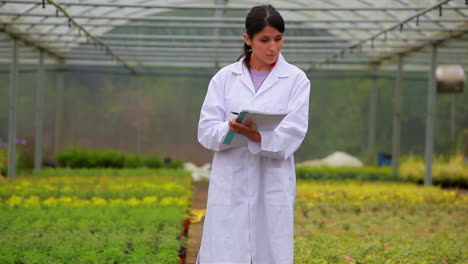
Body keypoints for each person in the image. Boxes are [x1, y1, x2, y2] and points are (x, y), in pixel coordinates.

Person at [196, 4, 310, 264]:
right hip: (231, 183)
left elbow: (295, 132)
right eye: (265, 40)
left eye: (278, 39)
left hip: (272, 183)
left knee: (270, 252)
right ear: (248, 39)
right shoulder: (225, 78)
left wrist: (260, 137)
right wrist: (230, 128)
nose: (273, 47)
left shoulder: (296, 79)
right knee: (226, 252)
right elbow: (205, 132)